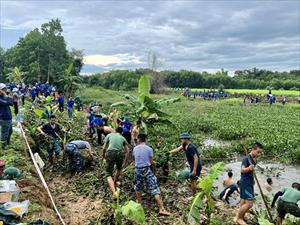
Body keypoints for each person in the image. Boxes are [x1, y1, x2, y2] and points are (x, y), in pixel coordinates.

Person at [133, 133, 171, 216]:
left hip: (137, 170)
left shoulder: (135, 148)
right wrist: (156, 164)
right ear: (145, 139)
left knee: (138, 187)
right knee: (154, 188)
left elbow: (135, 159)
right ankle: (162, 209)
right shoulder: (149, 148)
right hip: (146, 169)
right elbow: (150, 161)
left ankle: (140, 205)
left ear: (138, 139)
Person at [235, 142, 263, 225]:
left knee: (243, 200)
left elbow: (252, 170)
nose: (259, 154)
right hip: (245, 182)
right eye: (258, 152)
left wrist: (253, 179)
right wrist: (249, 168)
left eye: (260, 152)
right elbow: (242, 170)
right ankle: (239, 218)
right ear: (253, 149)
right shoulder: (246, 159)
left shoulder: (254, 159)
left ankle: (241, 216)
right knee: (250, 203)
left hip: (250, 182)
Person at [102, 127, 129, 198]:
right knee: (119, 169)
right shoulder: (122, 138)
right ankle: (114, 181)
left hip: (110, 153)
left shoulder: (109, 135)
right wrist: (125, 161)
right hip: (120, 153)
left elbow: (104, 148)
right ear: (121, 132)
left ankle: (114, 192)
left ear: (115, 131)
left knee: (108, 173)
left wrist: (103, 156)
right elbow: (127, 151)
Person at [0, 83, 13, 148]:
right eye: (3, 89)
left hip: (8, 117)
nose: (5, 90)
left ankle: (8, 143)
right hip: (4, 118)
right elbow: (8, 102)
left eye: (5, 89)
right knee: (4, 133)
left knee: (10, 131)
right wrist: (6, 95)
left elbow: (11, 103)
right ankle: (4, 146)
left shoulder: (3, 97)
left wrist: (5, 95)